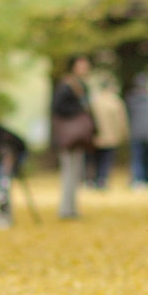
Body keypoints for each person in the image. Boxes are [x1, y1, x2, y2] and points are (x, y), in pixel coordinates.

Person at [51, 55, 96, 220]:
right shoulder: (68, 86)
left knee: (75, 173)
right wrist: (78, 112)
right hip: (69, 137)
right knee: (69, 172)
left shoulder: (81, 86)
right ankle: (66, 209)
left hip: (77, 139)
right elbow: (58, 108)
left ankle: (71, 208)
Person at [87, 73, 128, 189]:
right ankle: (102, 180)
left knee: (95, 159)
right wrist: (123, 133)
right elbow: (121, 120)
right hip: (110, 136)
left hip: (95, 136)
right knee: (106, 160)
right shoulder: (115, 101)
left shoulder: (94, 101)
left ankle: (92, 179)